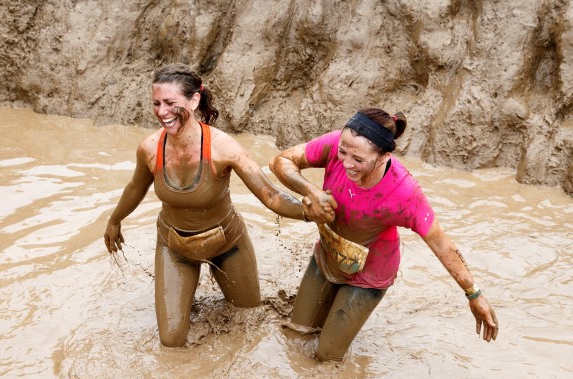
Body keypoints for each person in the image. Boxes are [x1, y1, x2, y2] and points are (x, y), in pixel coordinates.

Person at [103, 63, 332, 347]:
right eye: (157, 103)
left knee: (248, 320)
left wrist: (307, 211)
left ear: (194, 100)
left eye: (171, 103)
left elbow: (270, 195)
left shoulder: (224, 147)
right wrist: (114, 220)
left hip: (227, 244)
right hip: (175, 247)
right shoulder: (149, 148)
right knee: (171, 341)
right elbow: (135, 188)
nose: (162, 112)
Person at [269, 107, 499, 361]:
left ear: (383, 157)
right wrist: (311, 191)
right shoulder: (336, 144)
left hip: (369, 274)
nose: (346, 163)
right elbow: (280, 161)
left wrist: (474, 294)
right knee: (296, 336)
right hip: (328, 254)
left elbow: (441, 243)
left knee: (327, 357)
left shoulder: (404, 192)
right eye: (343, 152)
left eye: (358, 159)